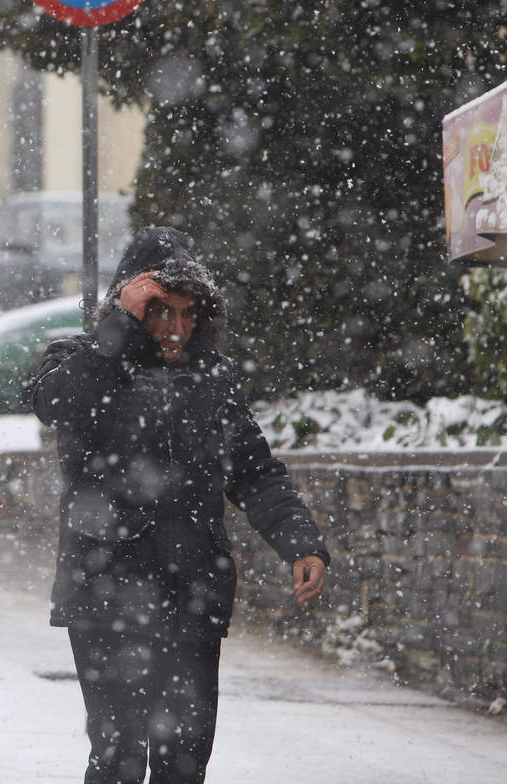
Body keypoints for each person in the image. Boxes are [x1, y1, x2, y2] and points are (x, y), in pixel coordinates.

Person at [30, 226, 330, 784]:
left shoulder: (212, 377)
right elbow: (57, 404)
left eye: (189, 313)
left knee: (184, 762)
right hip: (104, 592)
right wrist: (118, 327)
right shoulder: (80, 361)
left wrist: (300, 542)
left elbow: (255, 470)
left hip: (192, 590)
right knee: (118, 757)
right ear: (130, 304)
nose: (176, 328)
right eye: (161, 310)